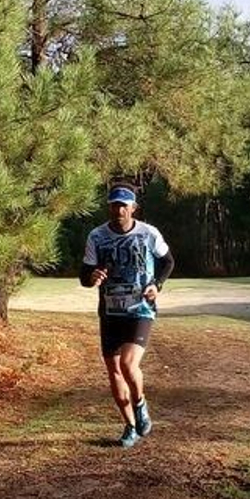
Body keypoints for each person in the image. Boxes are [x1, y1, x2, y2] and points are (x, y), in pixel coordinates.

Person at [80, 185, 174, 448]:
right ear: (108, 207)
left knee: (128, 365)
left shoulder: (148, 233)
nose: (118, 210)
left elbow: (168, 262)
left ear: (133, 208)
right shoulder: (96, 237)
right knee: (114, 372)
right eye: (114, 205)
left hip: (140, 309)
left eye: (124, 205)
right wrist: (92, 277)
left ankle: (140, 404)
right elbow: (84, 274)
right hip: (110, 312)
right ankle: (130, 426)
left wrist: (157, 284)